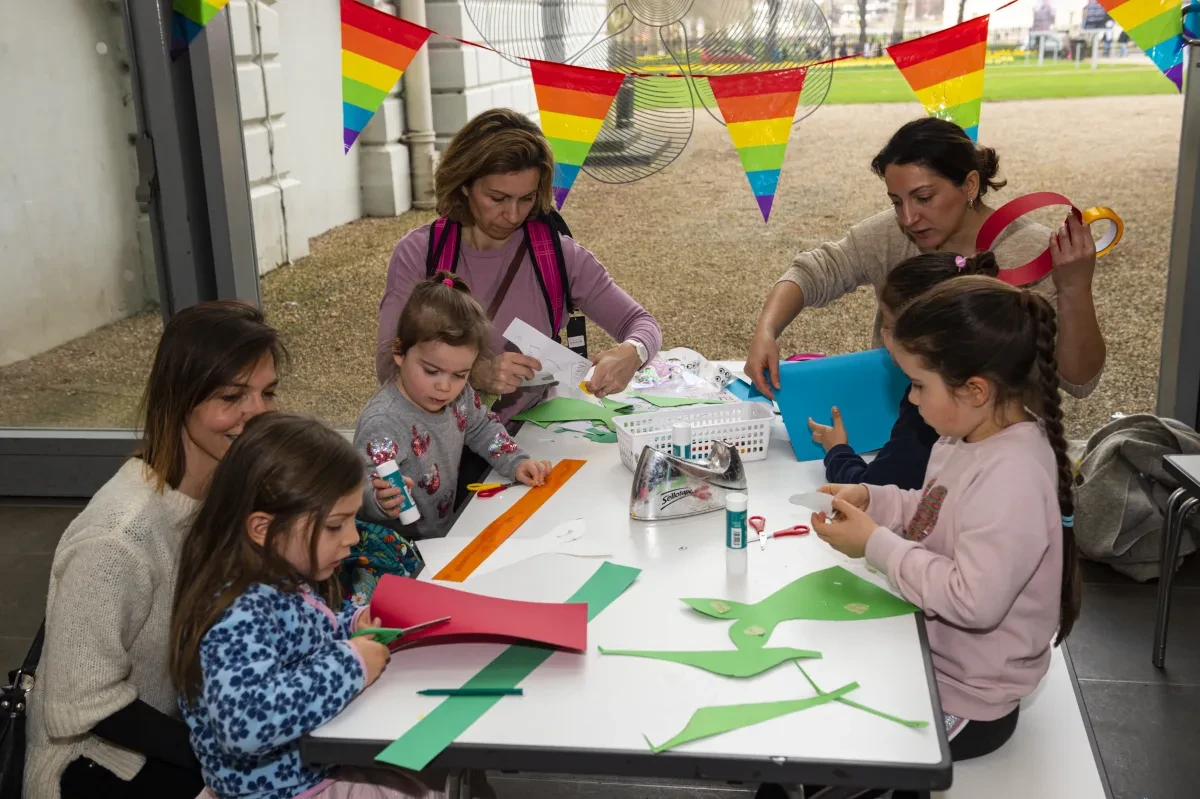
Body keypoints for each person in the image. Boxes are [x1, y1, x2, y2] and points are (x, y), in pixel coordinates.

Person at [25, 301, 284, 798]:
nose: (258, 412)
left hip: (170, 728)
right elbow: (83, 706)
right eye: (233, 396)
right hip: (99, 764)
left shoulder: (220, 489)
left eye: (267, 392)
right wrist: (224, 754)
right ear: (180, 398)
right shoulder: (119, 536)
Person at [817, 276, 1079, 763]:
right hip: (931, 660)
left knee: (830, 751)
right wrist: (874, 499)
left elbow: (972, 601)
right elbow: (932, 510)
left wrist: (875, 544)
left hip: (970, 700)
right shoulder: (964, 438)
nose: (912, 399)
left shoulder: (1014, 475)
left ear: (975, 390)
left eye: (918, 385)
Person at [170, 412, 484, 799]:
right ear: (263, 529)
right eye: (336, 525)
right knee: (427, 782)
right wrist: (351, 664)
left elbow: (298, 638)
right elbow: (244, 727)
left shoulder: (275, 578)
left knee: (434, 770)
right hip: (284, 790)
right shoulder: (236, 613)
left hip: (310, 770)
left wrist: (352, 625)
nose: (352, 537)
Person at [746, 117, 1105, 405]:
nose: (908, 218)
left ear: (969, 185)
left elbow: (1078, 380)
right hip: (898, 427)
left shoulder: (1033, 250)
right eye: (896, 201)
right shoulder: (892, 233)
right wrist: (766, 331)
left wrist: (1075, 288)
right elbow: (812, 272)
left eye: (923, 197)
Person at [375, 107, 662, 421]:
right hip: (444, 441)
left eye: (526, 199)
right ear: (464, 185)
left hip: (533, 437)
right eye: (497, 198)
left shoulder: (556, 255)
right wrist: (471, 374)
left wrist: (633, 352)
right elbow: (389, 365)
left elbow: (642, 324)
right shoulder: (420, 253)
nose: (512, 215)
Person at [356, 273, 552, 545]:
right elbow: (359, 490)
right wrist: (379, 500)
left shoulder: (459, 397)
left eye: (460, 375)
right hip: (399, 549)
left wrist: (516, 461)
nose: (445, 387)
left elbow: (482, 428)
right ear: (400, 352)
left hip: (443, 536)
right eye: (432, 371)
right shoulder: (383, 423)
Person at [807, 251, 998, 490]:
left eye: (887, 325)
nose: (913, 396)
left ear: (919, 337)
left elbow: (874, 489)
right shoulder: (993, 393)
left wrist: (838, 451)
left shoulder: (930, 414)